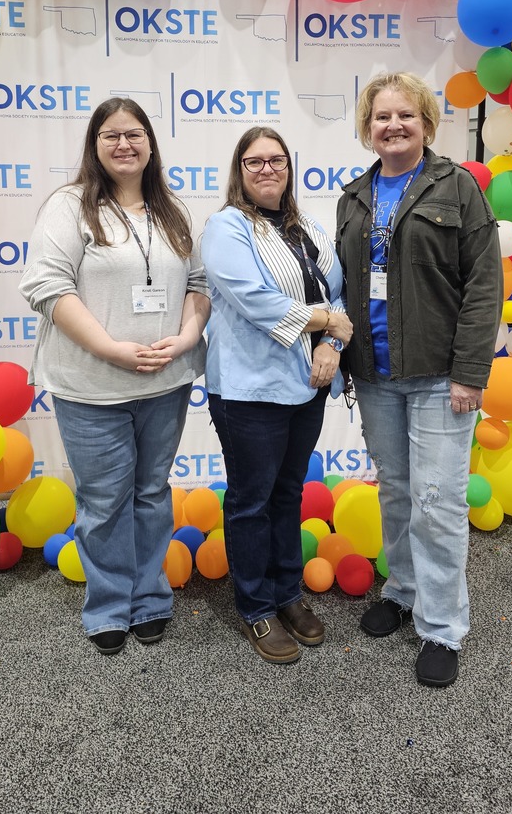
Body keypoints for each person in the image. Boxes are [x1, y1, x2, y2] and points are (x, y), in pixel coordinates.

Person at [19, 97, 210, 655]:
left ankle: (149, 598)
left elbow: (198, 282)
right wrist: (112, 349)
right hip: (90, 386)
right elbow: (47, 287)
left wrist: (189, 336)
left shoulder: (173, 208)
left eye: (134, 134)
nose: (124, 144)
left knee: (151, 494)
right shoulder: (70, 205)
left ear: (151, 143)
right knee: (104, 501)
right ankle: (106, 606)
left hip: (164, 383)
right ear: (95, 145)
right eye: (111, 135)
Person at [336, 72, 502, 687]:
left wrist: (470, 373)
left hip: (440, 378)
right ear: (367, 128)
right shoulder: (353, 196)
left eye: (405, 115)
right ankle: (403, 589)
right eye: (382, 117)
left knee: (438, 503)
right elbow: (348, 285)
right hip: (376, 375)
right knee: (398, 493)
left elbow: (485, 285)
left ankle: (442, 626)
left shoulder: (456, 186)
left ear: (426, 123)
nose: (393, 126)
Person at [201, 126, 353, 664]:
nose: (267, 169)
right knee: (251, 500)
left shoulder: (309, 226)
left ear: (290, 167)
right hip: (250, 390)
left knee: (289, 492)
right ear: (239, 171)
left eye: (276, 160)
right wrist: (326, 319)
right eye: (254, 161)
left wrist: (333, 340)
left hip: (308, 382)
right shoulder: (226, 227)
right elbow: (253, 298)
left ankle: (287, 593)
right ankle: (256, 607)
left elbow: (341, 293)